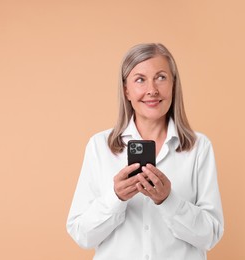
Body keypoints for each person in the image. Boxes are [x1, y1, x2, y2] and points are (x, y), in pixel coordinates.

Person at [66, 43, 224, 260]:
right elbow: (82, 235)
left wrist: (168, 200)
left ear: (173, 85)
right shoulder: (99, 146)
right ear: (126, 90)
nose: (152, 90)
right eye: (140, 79)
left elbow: (211, 235)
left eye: (161, 77)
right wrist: (116, 198)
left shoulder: (199, 147)